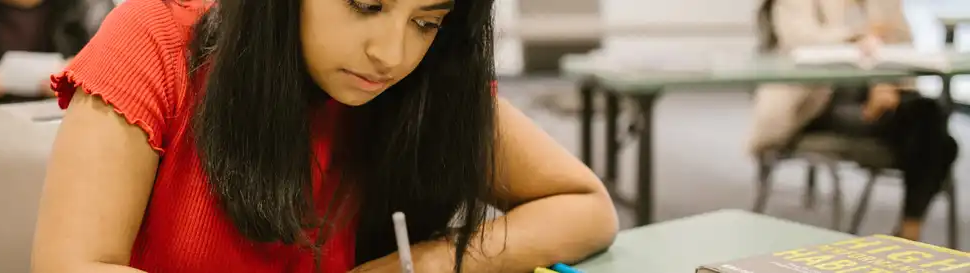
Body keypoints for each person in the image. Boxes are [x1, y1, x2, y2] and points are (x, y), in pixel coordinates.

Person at [30, 0, 619, 272]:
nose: (390, 55)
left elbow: (585, 208)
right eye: (366, 5)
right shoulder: (156, 39)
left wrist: (424, 266)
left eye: (426, 21)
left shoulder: (423, 84)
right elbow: (69, 266)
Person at [752, 0, 958, 241]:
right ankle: (909, 233)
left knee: (930, 118)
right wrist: (856, 37)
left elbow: (902, 44)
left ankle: (908, 233)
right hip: (817, 100)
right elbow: (798, 39)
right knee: (936, 138)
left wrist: (884, 83)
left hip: (880, 95)